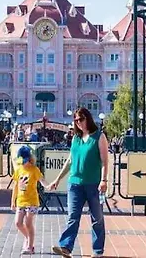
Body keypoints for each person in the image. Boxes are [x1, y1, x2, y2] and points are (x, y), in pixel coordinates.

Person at [48, 107, 108, 258]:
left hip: (94, 183)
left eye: (81, 119)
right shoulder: (76, 138)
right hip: (75, 183)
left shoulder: (99, 137)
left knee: (97, 218)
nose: (78, 122)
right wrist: (58, 179)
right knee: (73, 216)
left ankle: (98, 250)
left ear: (88, 118)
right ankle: (66, 247)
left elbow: (104, 161)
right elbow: (70, 161)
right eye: (76, 120)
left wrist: (104, 180)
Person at [11, 146, 44, 255]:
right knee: (18, 223)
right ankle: (28, 237)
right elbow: (15, 186)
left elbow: (42, 180)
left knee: (28, 223)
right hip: (21, 201)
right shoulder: (18, 170)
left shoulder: (34, 170)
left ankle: (30, 246)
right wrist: (13, 201)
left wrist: (48, 186)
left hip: (32, 201)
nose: (24, 163)